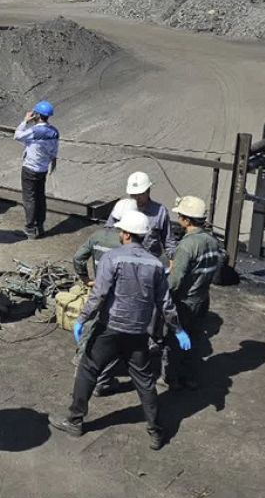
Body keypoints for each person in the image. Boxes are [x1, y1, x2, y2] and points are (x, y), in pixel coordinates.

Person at [51, 210, 187, 450]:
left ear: (125, 234)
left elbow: (99, 294)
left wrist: (82, 319)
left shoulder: (112, 259)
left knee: (88, 370)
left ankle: (75, 421)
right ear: (143, 237)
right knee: (145, 382)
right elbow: (165, 303)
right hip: (138, 333)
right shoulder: (156, 265)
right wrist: (177, 329)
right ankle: (155, 431)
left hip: (110, 328)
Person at [72, 198, 139, 395]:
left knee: (92, 324)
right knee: (114, 336)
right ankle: (102, 379)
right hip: (120, 296)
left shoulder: (97, 235)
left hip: (99, 289)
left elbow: (78, 257)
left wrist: (85, 279)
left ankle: (81, 356)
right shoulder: (130, 242)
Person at [162, 196, 225, 390]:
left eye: (180, 215)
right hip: (202, 299)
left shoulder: (187, 246)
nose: (179, 218)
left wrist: (161, 297)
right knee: (194, 340)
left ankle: (170, 379)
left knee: (173, 340)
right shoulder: (212, 242)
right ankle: (189, 377)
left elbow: (175, 279)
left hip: (184, 302)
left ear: (187, 220)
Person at [14, 101, 60, 239]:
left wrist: (25, 121)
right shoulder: (54, 132)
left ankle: (30, 228)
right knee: (40, 197)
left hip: (29, 169)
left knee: (29, 199)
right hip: (43, 168)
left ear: (37, 115)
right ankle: (40, 226)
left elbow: (17, 135)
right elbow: (54, 152)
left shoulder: (35, 131)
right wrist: (53, 163)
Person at [108, 171, 176, 259]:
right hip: (124, 259)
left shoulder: (160, 212)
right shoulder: (121, 207)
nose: (137, 198)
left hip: (150, 261)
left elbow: (168, 241)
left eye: (140, 194)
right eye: (133, 195)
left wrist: (173, 259)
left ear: (148, 191)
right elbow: (107, 232)